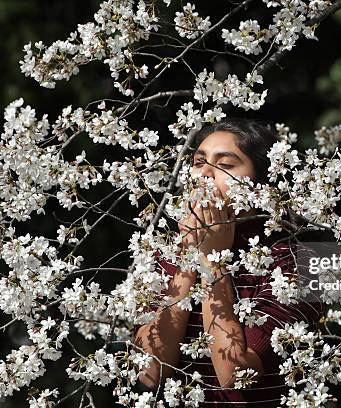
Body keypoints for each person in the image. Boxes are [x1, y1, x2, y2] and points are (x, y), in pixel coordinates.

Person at [133, 119, 324, 407]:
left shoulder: (296, 265)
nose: (206, 174)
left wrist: (213, 263)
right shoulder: (162, 255)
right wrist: (189, 257)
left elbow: (236, 374)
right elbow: (150, 372)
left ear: (262, 186)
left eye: (225, 165)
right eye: (199, 163)